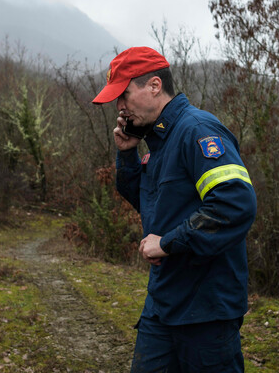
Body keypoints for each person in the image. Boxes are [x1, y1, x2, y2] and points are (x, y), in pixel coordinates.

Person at [92, 46, 257, 372]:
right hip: (163, 304)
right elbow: (149, 203)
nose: (119, 106)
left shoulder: (197, 130)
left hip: (206, 308)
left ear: (154, 85)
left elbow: (235, 203)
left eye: (123, 95)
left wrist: (168, 243)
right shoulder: (159, 141)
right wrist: (127, 154)